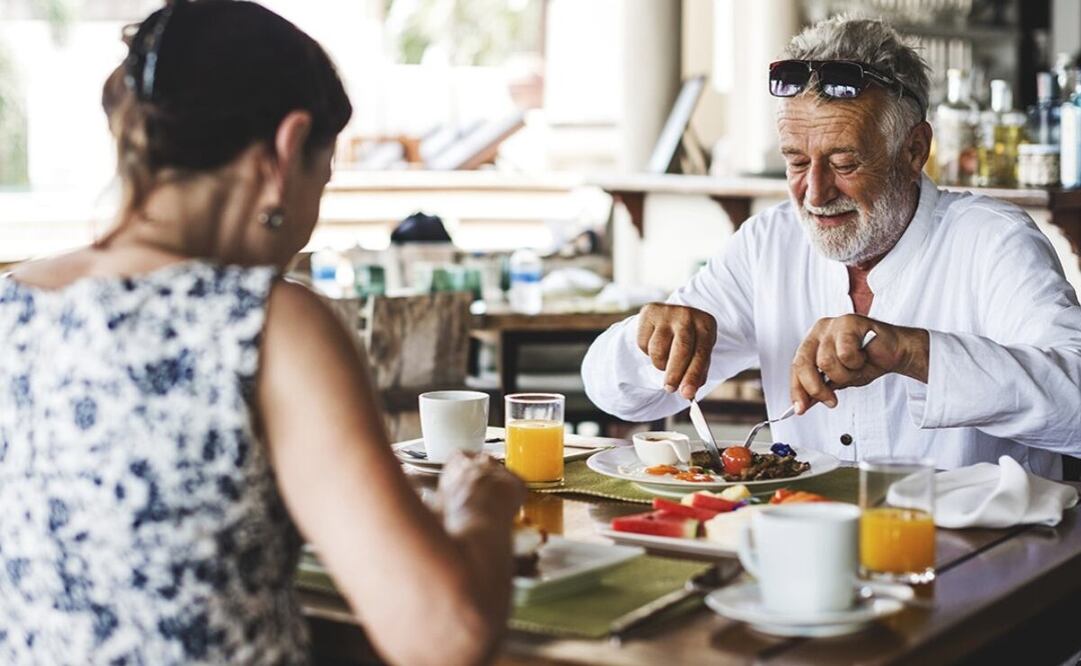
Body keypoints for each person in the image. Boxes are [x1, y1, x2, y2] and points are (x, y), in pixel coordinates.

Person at [0, 2, 523, 664]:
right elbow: (444, 638)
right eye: (322, 178)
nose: (311, 217)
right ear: (285, 148)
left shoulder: (13, 302)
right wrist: (480, 509)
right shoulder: (266, 323)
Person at [583, 16, 1081, 478]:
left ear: (913, 151)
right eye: (796, 163)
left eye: (844, 164)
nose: (815, 194)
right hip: (809, 540)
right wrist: (648, 339)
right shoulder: (769, 242)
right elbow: (616, 395)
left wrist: (911, 352)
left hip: (982, 556)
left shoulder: (992, 240)